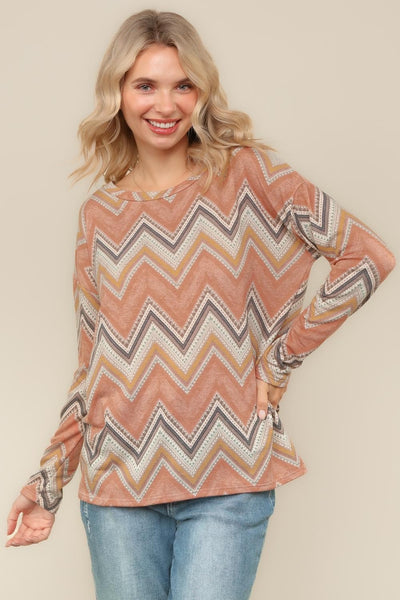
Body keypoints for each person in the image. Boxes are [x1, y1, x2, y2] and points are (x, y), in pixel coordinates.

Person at [6, 9, 395, 600]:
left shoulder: (248, 174)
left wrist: (280, 360)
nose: (166, 105)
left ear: (202, 93)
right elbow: (92, 365)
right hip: (119, 487)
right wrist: (49, 481)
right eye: (146, 85)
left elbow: (366, 257)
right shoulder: (99, 216)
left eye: (182, 85)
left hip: (228, 474)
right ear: (117, 93)